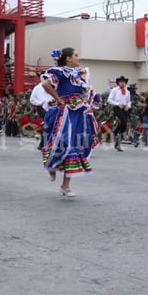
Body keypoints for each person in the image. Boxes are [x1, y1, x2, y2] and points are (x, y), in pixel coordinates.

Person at [40, 47, 99, 197]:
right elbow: (46, 84)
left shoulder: (80, 74)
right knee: (63, 141)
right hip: (65, 111)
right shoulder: (59, 72)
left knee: (76, 145)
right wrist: (58, 98)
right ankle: (51, 165)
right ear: (68, 58)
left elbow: (85, 91)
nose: (78, 58)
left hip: (79, 112)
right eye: (76, 55)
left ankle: (65, 186)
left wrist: (92, 100)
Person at [107, 75, 132, 152]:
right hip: (117, 107)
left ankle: (117, 142)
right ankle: (115, 133)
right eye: (121, 82)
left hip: (125, 108)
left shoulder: (127, 91)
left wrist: (128, 106)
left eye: (124, 82)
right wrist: (118, 104)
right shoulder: (114, 90)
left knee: (124, 126)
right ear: (118, 83)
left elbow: (129, 101)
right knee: (123, 121)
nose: (122, 84)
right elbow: (109, 100)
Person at [29, 80, 53, 150]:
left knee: (48, 126)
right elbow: (32, 99)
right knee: (48, 124)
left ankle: (43, 144)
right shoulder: (37, 88)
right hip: (41, 108)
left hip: (51, 109)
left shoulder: (52, 87)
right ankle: (44, 144)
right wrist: (39, 102)